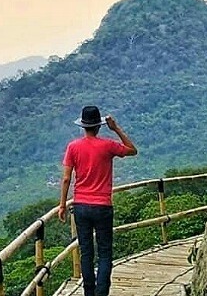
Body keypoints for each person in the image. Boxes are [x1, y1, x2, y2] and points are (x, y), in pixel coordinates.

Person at [58, 105, 137, 296]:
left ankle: (89, 293)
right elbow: (132, 150)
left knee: (86, 252)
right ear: (99, 126)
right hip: (102, 206)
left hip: (81, 206)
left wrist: (62, 205)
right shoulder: (108, 145)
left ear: (83, 126)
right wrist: (116, 128)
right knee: (104, 253)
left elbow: (67, 178)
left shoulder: (73, 147)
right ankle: (102, 293)